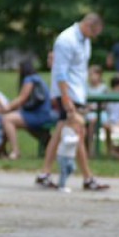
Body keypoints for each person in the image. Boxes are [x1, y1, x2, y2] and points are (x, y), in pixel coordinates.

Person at [35, 13, 109, 191]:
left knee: (63, 132)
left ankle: (44, 173)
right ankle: (87, 178)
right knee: (77, 132)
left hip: (76, 92)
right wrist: (65, 98)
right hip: (66, 93)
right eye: (95, 32)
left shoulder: (85, 41)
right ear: (88, 25)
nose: (94, 36)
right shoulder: (66, 40)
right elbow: (60, 72)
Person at [0, 59, 55, 160]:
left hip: (39, 114)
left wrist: (7, 108)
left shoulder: (29, 79)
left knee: (7, 119)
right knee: (21, 123)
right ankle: (49, 143)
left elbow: (22, 98)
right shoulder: (37, 78)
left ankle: (15, 151)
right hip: (43, 112)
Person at [56, 111, 84, 192]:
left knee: (72, 168)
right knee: (63, 170)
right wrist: (77, 139)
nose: (79, 128)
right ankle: (62, 185)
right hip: (63, 155)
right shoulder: (66, 130)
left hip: (70, 155)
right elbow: (67, 141)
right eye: (79, 126)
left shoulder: (74, 133)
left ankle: (62, 180)